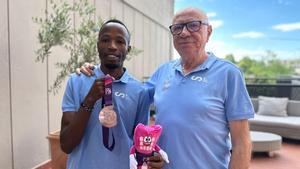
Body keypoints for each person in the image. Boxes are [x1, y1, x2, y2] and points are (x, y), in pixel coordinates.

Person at [78, 7, 254, 169]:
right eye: (177, 28)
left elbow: (241, 143)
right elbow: (129, 92)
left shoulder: (228, 74)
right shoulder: (163, 71)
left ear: (208, 32)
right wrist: (96, 71)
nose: (184, 33)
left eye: (193, 25)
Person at [60, 19, 164, 169]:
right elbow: (66, 145)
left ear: (128, 49)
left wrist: (152, 157)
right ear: (98, 45)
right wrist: (89, 99)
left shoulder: (139, 92)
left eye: (120, 41)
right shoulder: (76, 82)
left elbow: (139, 144)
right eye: (105, 40)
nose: (112, 46)